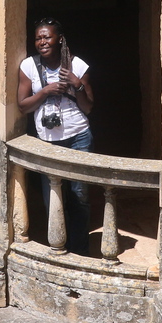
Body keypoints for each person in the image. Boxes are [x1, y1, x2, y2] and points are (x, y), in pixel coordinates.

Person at [16, 18, 95, 255]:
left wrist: (77, 84)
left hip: (78, 137)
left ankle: (79, 250)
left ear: (59, 39)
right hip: (47, 141)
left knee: (79, 196)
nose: (42, 42)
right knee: (53, 198)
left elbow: (89, 107)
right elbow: (23, 106)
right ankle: (58, 248)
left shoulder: (78, 65)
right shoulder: (29, 66)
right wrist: (46, 91)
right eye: (38, 38)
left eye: (47, 37)